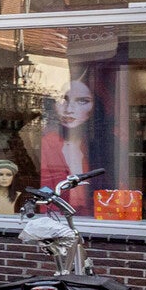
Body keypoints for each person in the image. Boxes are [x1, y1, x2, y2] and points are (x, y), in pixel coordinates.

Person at [39, 77, 114, 214]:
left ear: (96, 106)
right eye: (63, 100)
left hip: (99, 216)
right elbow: (45, 189)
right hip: (59, 216)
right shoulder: (48, 143)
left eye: (82, 101)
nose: (69, 109)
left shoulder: (105, 145)